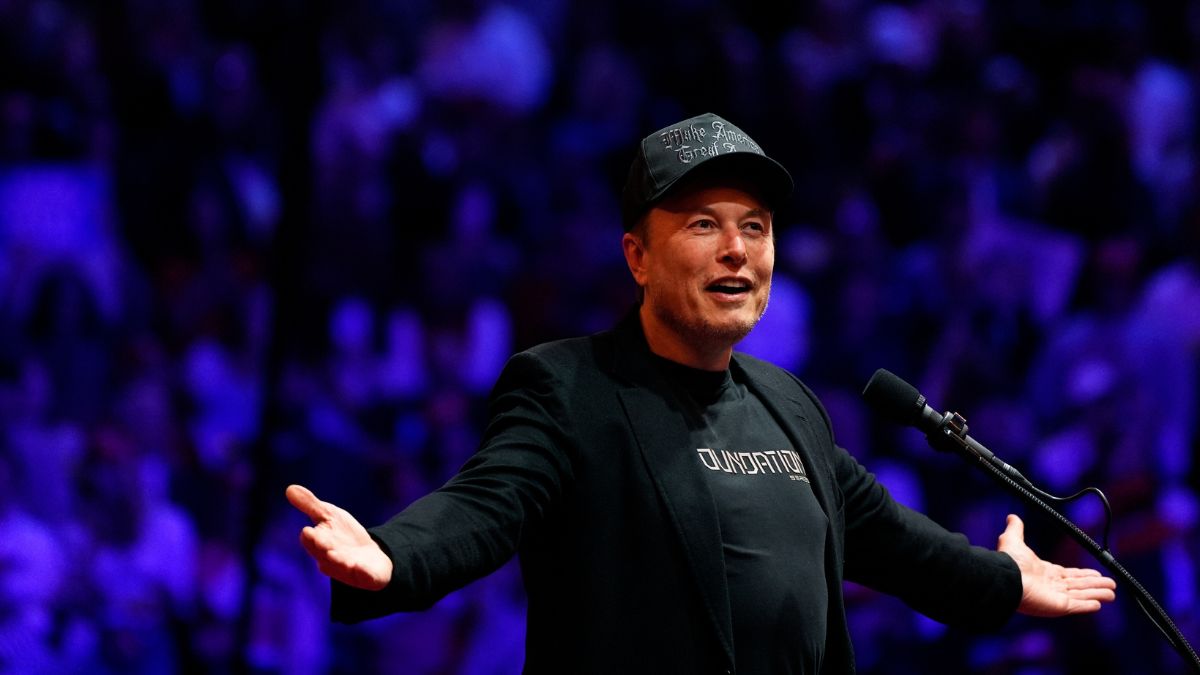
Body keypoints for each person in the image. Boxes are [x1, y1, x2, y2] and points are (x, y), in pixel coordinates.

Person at [286, 112, 1116, 674]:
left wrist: (1004, 581)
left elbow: (898, 544)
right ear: (637, 256)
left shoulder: (791, 406)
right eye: (701, 224)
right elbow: (488, 502)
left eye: (754, 226)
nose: (736, 251)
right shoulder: (569, 387)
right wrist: (397, 557)